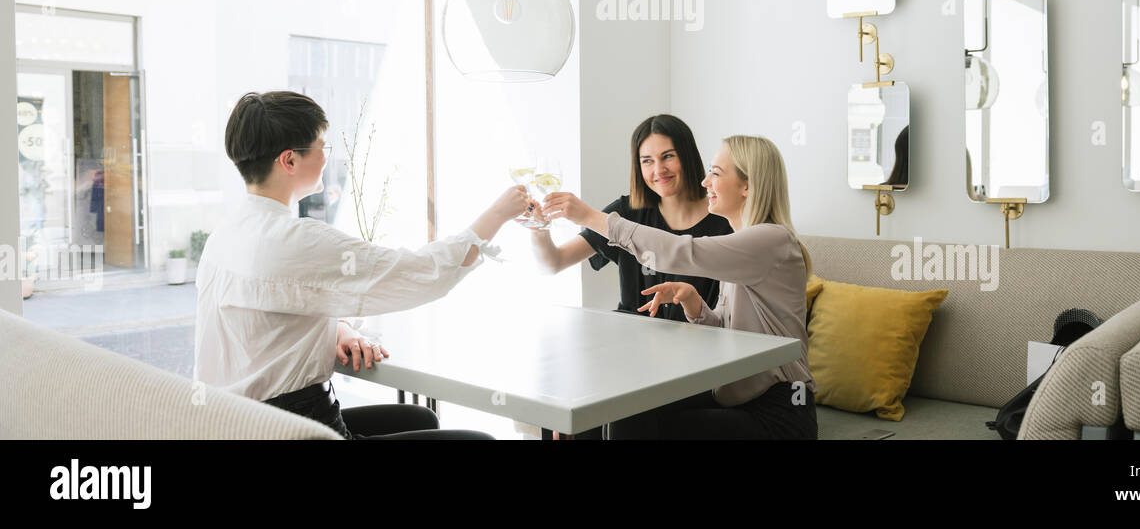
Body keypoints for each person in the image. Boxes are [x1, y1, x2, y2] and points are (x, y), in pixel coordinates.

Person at [195, 90, 528, 440]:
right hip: (295, 428)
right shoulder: (296, 240)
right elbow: (423, 274)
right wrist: (498, 214)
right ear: (289, 161)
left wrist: (337, 328)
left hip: (237, 424)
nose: (327, 158)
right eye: (322, 146)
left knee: (419, 417)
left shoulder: (225, 235)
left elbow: (269, 315)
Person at [543, 134, 818, 440]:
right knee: (611, 408)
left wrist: (591, 217)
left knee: (633, 417)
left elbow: (681, 251)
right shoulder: (743, 244)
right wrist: (696, 306)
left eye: (716, 173)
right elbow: (734, 333)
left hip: (780, 412)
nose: (705, 182)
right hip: (736, 396)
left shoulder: (771, 240)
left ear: (747, 186)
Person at [529, 114, 732, 322]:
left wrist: (586, 216)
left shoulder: (725, 219)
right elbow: (553, 263)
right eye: (647, 161)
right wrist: (538, 227)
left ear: (688, 155)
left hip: (703, 347)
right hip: (633, 343)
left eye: (668, 156)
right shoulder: (627, 211)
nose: (658, 170)